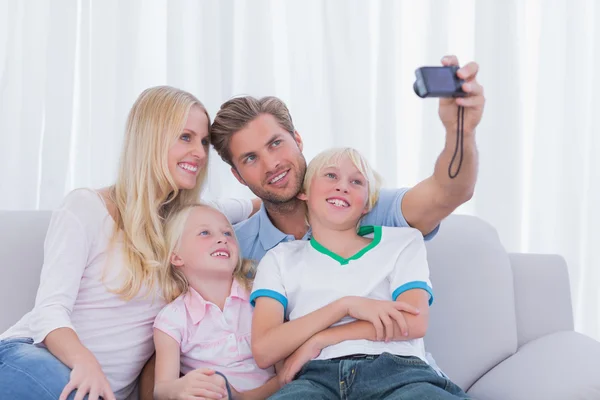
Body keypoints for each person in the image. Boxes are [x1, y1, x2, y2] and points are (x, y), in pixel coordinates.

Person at [0, 86, 258, 400]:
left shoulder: (190, 224)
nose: (201, 153)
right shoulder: (86, 207)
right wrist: (85, 362)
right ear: (151, 138)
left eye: (203, 141)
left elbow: (255, 204)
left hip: (102, 392)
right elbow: (49, 310)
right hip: (34, 359)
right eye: (185, 137)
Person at [210, 56, 484, 265]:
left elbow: (449, 193)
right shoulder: (234, 249)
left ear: (298, 140)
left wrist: (460, 132)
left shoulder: (362, 205)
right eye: (250, 158)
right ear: (238, 176)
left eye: (276, 143)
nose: (271, 164)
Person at [250, 147, 471, 399]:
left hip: (398, 373)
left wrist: (321, 339)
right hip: (314, 380)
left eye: (356, 181)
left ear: (367, 204)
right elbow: (264, 350)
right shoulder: (279, 258)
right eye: (331, 176)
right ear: (304, 192)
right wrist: (345, 306)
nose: (343, 186)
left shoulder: (402, 242)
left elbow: (413, 322)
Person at [153, 203, 282, 400]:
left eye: (228, 233)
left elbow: (285, 375)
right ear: (176, 256)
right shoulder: (171, 320)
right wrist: (179, 388)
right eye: (205, 233)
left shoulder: (261, 295)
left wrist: (244, 398)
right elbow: (161, 390)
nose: (222, 239)